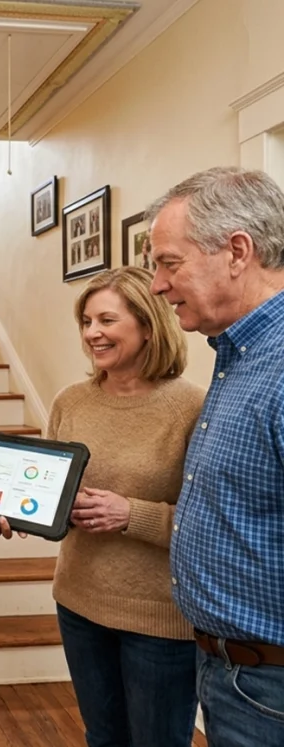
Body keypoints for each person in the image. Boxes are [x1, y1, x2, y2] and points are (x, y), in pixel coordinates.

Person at [0, 266, 205, 747]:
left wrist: (131, 515)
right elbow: (52, 502)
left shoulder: (192, 408)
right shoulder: (69, 402)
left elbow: (210, 524)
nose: (91, 334)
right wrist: (16, 512)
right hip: (79, 604)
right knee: (102, 738)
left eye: (106, 320)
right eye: (85, 321)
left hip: (159, 618)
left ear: (147, 324)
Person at [146, 166, 284, 746]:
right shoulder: (235, 357)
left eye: (168, 263)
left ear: (237, 251)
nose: (156, 285)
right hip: (229, 672)